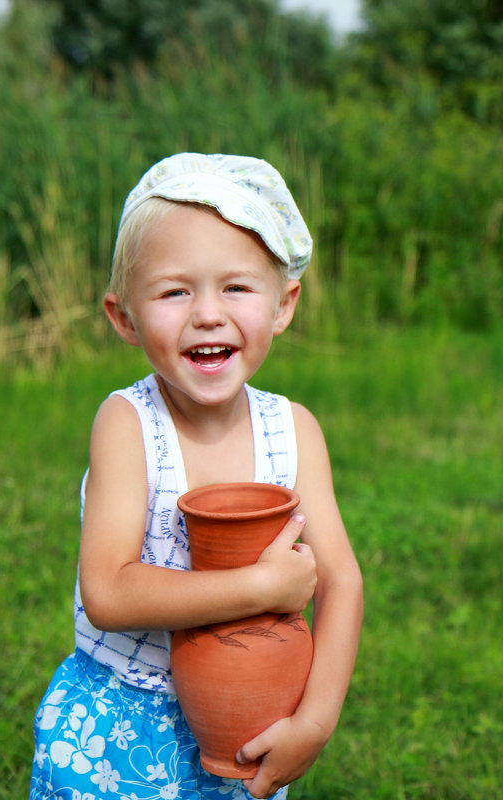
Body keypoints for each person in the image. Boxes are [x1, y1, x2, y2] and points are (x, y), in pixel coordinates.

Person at [31, 153, 364, 800]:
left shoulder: (293, 430)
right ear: (125, 317)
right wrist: (260, 586)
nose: (208, 313)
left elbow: (343, 579)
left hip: (250, 717)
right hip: (121, 733)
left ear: (282, 304)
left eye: (236, 288)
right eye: (175, 291)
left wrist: (314, 721)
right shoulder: (129, 425)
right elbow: (109, 591)